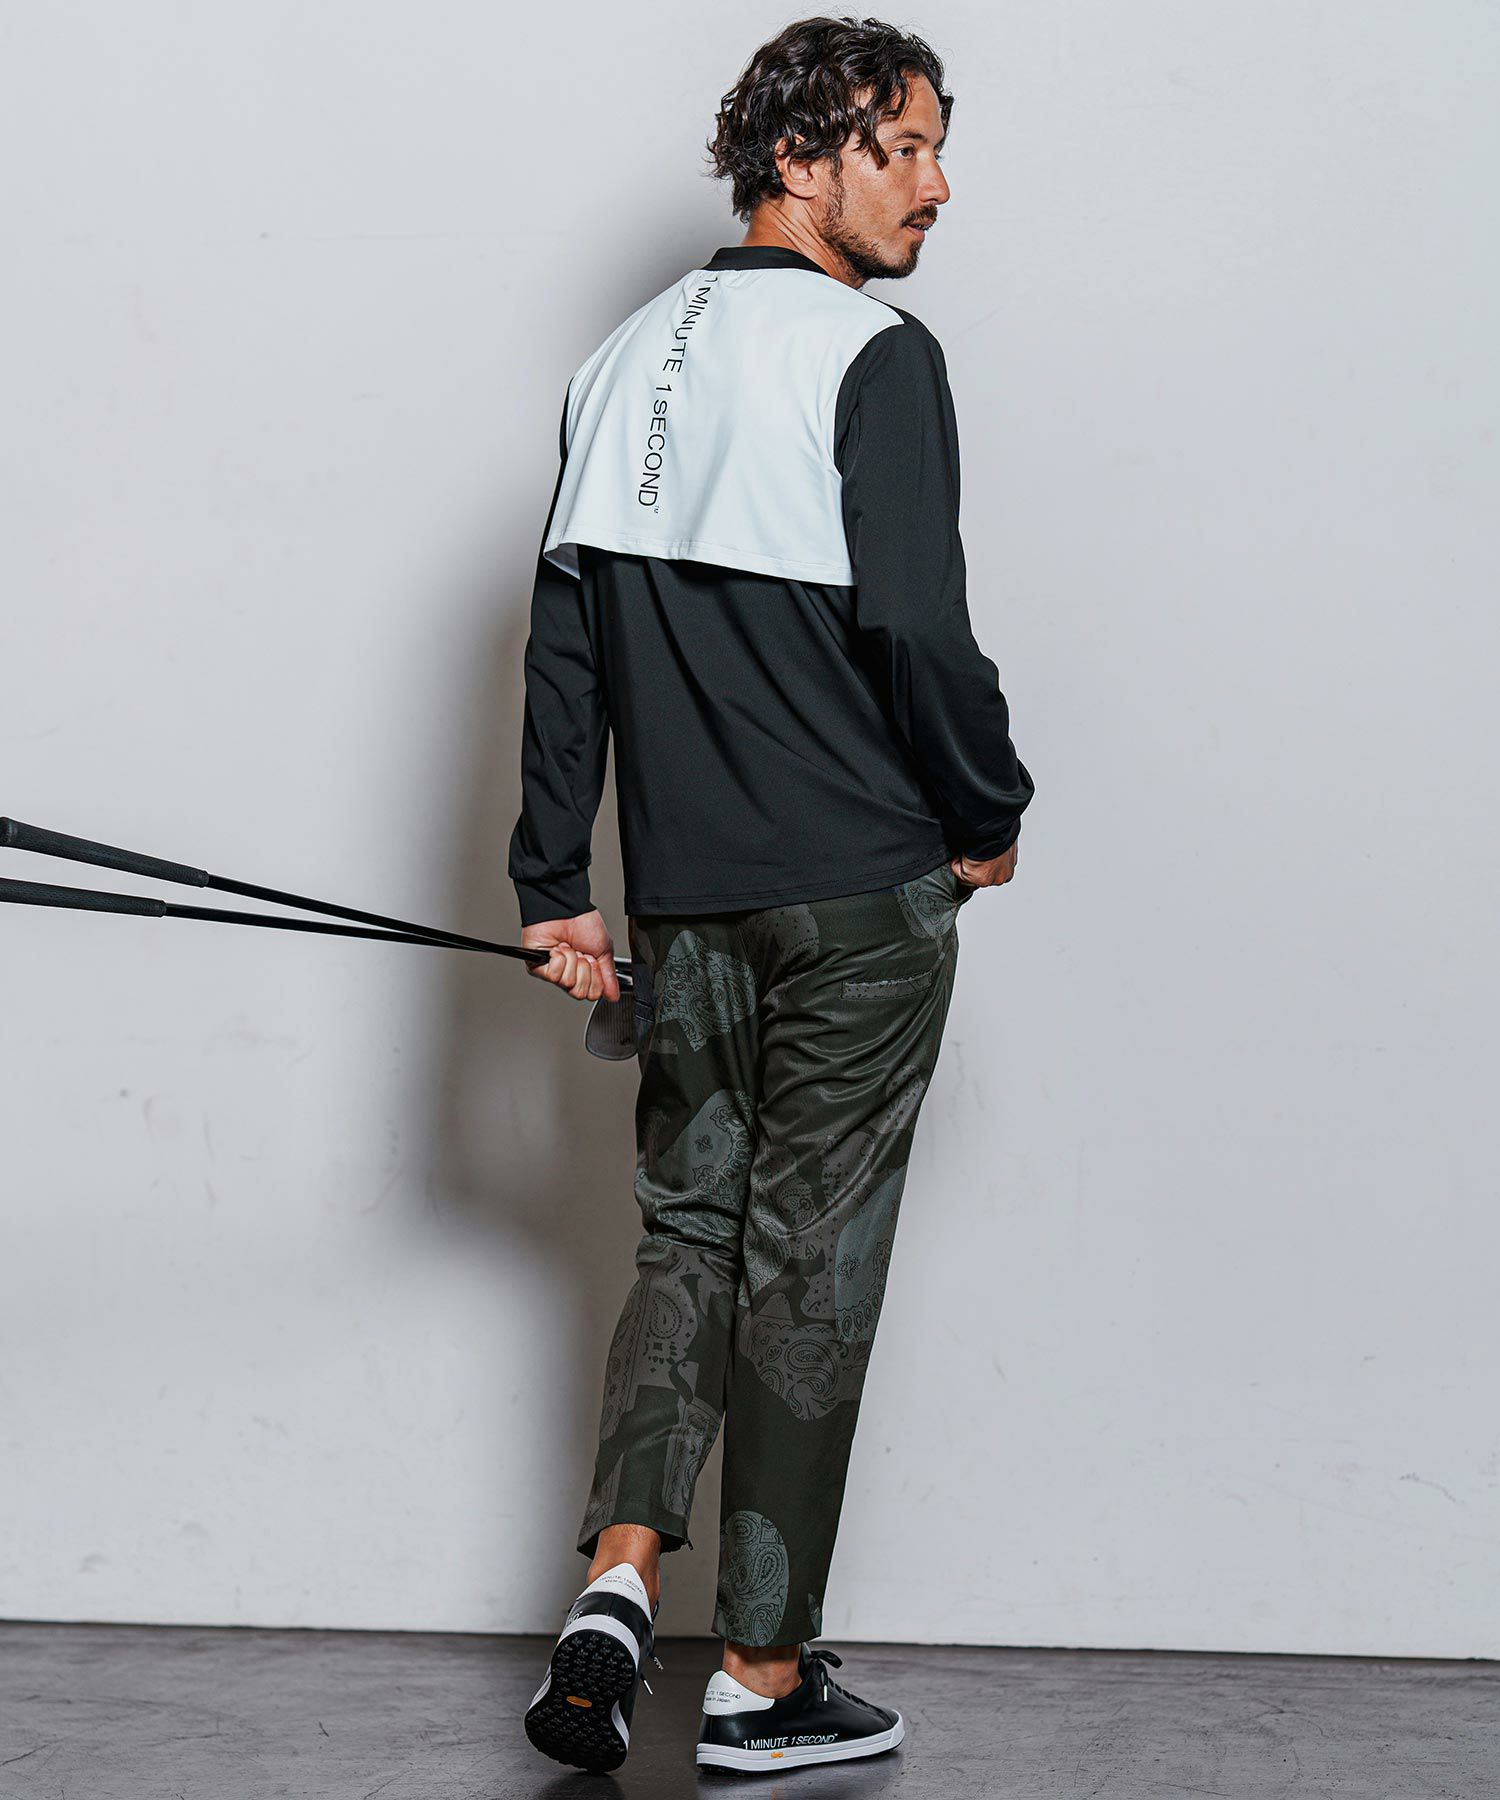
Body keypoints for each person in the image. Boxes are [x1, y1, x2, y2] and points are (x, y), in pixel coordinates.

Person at [511, 14, 1034, 1776]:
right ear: (802, 160)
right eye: (908, 148)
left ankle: (617, 1582)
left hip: (685, 905)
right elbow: (918, 628)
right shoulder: (873, 356)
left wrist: (554, 884)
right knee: (811, 1263)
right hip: (859, 903)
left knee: (689, 1232)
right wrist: (988, 807)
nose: (938, 185)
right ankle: (759, 1674)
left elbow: (566, 649)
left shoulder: (616, 359)